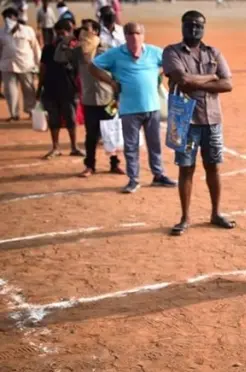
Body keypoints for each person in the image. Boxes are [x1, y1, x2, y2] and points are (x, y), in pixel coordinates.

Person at [163, 10, 235, 235]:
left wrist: (197, 82)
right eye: (189, 25)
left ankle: (215, 212)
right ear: (182, 26)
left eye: (198, 26)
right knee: (186, 168)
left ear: (204, 28)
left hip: (212, 119)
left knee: (213, 166)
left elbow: (228, 84)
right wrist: (211, 77)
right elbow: (182, 80)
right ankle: (185, 217)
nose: (194, 29)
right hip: (184, 119)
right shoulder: (171, 52)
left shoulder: (214, 52)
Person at [90, 22, 177, 194]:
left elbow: (171, 64)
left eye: (137, 33)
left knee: (155, 144)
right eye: (130, 33)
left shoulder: (154, 52)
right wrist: (110, 82)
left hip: (152, 107)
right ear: (125, 35)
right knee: (131, 146)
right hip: (129, 109)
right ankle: (133, 179)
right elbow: (93, 66)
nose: (134, 37)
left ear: (143, 35)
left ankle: (158, 175)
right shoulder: (116, 54)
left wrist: (159, 76)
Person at [65, 19, 123, 175]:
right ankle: (90, 165)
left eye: (87, 29)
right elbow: (60, 58)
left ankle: (114, 164)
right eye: (81, 29)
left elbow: (117, 75)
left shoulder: (108, 50)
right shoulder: (78, 52)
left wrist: (117, 97)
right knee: (91, 134)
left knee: (111, 133)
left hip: (107, 98)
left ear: (96, 31)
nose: (83, 32)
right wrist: (69, 39)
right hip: (89, 99)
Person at [37, 18, 83, 159]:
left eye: (65, 32)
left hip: (69, 89)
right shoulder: (48, 49)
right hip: (51, 89)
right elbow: (43, 69)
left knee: (71, 119)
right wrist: (39, 88)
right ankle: (56, 147)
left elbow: (80, 69)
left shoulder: (75, 49)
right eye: (60, 33)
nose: (62, 35)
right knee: (54, 120)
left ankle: (74, 147)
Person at [0, 7, 40, 122]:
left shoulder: (27, 30)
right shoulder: (1, 32)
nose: (7, 19)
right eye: (5, 17)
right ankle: (14, 114)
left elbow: (35, 47)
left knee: (28, 90)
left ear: (16, 18)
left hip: (25, 65)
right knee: (10, 91)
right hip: (7, 65)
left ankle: (31, 111)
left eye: (10, 17)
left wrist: (38, 63)